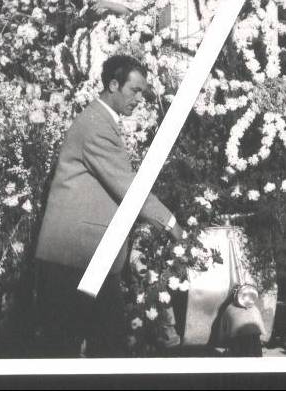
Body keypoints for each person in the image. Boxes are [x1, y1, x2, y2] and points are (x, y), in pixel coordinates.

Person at [34, 55, 183, 357]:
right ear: (113, 85)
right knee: (84, 349)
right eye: (135, 90)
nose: (140, 99)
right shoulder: (96, 125)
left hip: (88, 257)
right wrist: (171, 224)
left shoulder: (99, 120)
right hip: (75, 258)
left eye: (143, 92)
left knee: (100, 346)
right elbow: (128, 186)